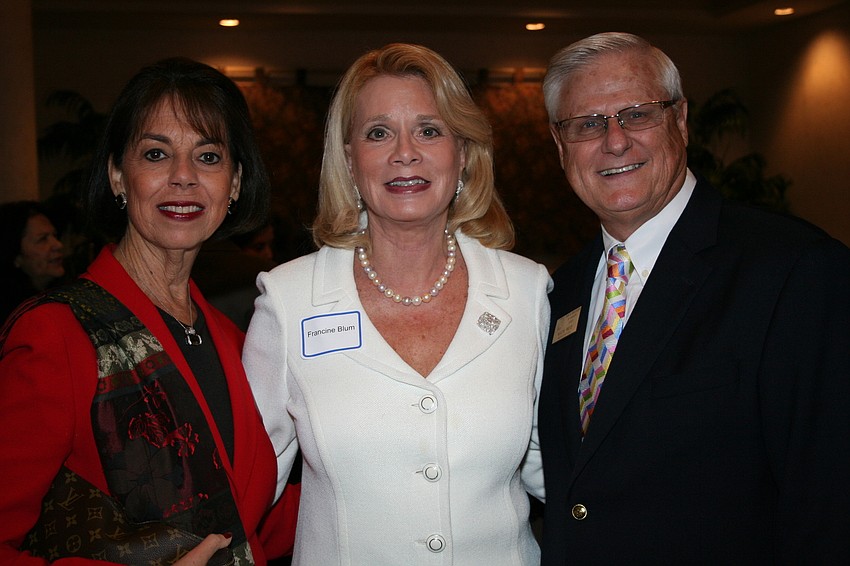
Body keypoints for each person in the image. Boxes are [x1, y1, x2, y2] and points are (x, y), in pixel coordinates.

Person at [537, 31, 850, 564]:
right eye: (587, 124)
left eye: (637, 114)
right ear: (560, 144)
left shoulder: (793, 271)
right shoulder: (558, 292)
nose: (615, 141)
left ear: (680, 120)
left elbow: (829, 503)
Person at [243, 43, 551, 565]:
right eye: (378, 133)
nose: (404, 152)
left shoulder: (526, 292)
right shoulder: (289, 301)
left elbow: (554, 464)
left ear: (462, 152)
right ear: (349, 159)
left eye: (429, 130)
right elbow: (250, 479)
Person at [0, 57, 296, 564]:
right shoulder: (57, 334)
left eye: (208, 157)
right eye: (156, 154)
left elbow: (256, 520)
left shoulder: (236, 339)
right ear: (118, 175)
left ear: (235, 183)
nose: (183, 177)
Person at [0, 200, 66, 322]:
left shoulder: (65, 295)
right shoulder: (12, 315)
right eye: (42, 239)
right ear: (16, 257)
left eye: (55, 236)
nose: (58, 245)